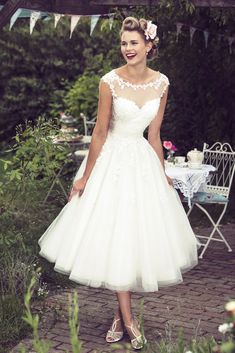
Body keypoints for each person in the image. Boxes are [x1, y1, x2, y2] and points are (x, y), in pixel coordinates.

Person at [38, 16, 200, 350]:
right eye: (124, 43)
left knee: (132, 240)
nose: (127, 48)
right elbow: (99, 132)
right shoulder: (108, 81)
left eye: (133, 43)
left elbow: (154, 135)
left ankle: (118, 315)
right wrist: (86, 176)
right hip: (112, 161)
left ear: (149, 46)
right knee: (117, 233)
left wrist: (162, 170)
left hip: (141, 162)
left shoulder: (162, 84)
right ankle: (128, 319)